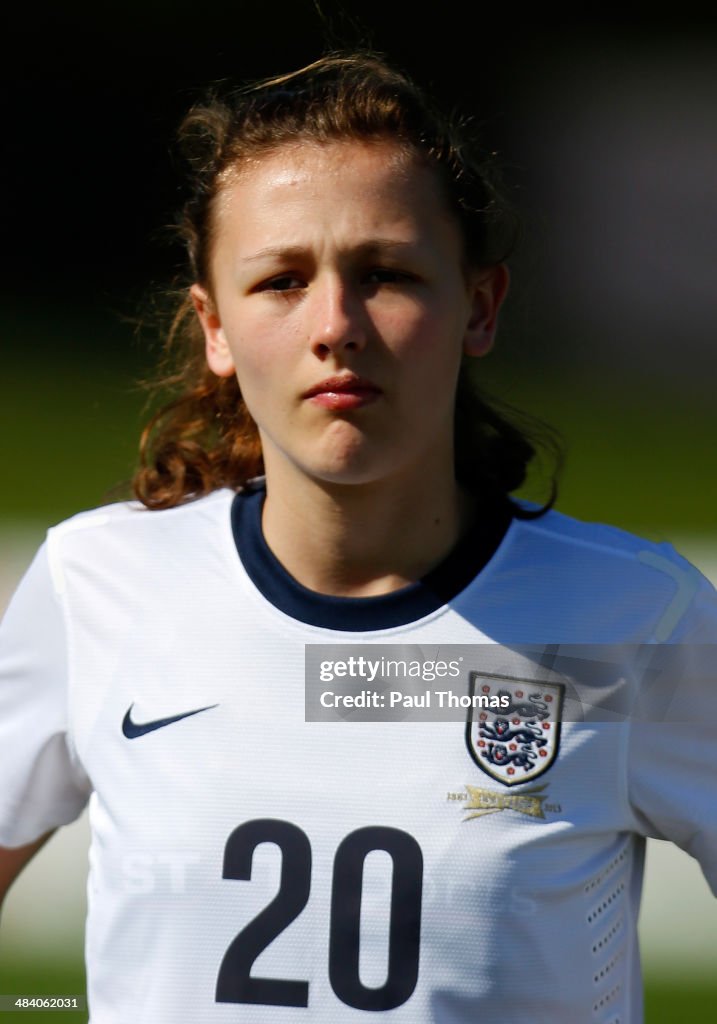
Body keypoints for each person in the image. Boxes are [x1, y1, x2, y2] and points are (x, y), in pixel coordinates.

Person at [1, 52, 715, 1024]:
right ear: (214, 326)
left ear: (480, 304)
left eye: (385, 274)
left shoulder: (641, 616)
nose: (336, 324)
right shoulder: (96, 585)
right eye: (282, 280)